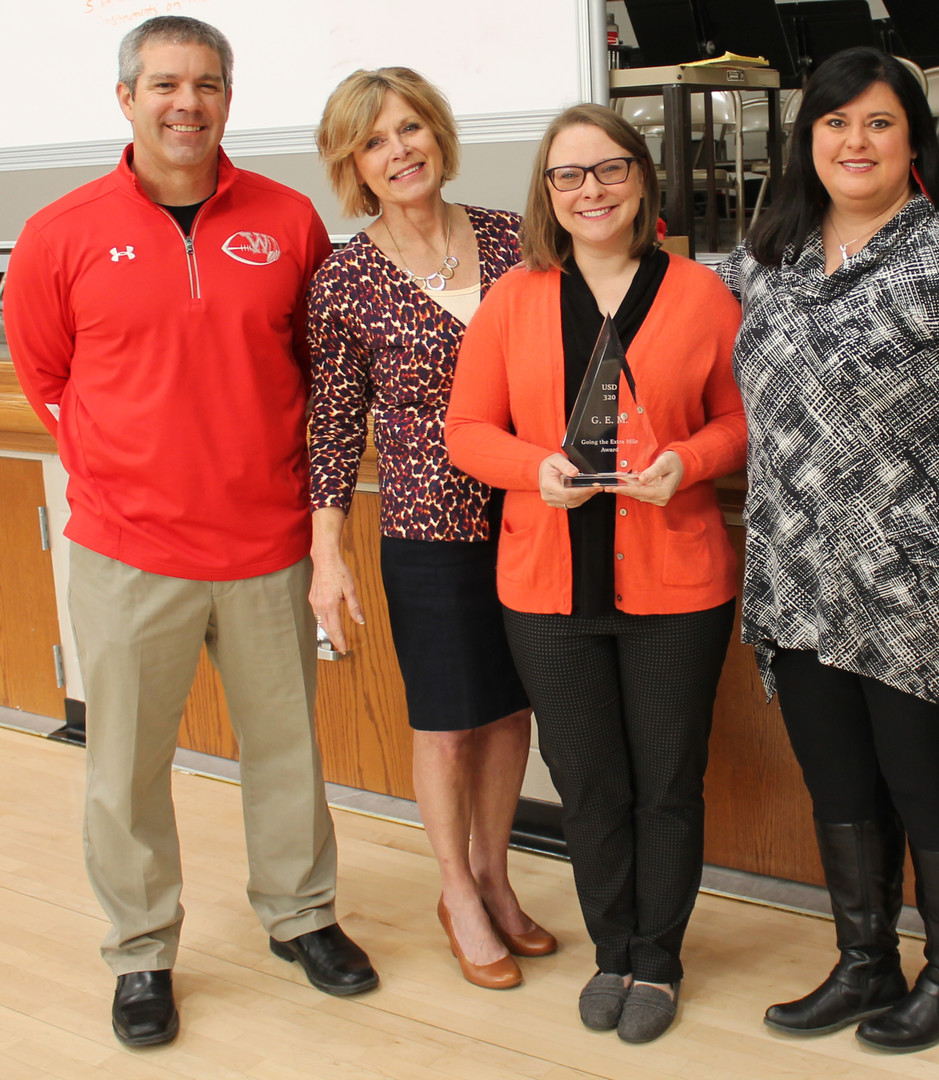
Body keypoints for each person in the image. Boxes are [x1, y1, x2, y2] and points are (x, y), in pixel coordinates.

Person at [5, 16, 378, 1049]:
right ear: (126, 98)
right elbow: (44, 372)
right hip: (129, 554)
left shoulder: (288, 219)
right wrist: (121, 463)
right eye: (166, 82)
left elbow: (318, 370)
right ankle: (140, 951)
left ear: (227, 98)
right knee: (123, 765)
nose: (188, 102)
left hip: (265, 544)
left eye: (208, 83)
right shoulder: (62, 230)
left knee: (288, 752)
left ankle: (300, 916)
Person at [717, 47, 939, 1053]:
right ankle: (866, 964)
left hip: (924, 586)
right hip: (801, 577)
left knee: (926, 785)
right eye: (834, 123)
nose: (854, 143)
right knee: (838, 785)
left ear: (914, 143)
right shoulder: (768, 257)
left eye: (877, 123)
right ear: (805, 140)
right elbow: (660, 295)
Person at [445, 103, 746, 1042]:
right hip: (546, 589)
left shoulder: (702, 295)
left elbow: (739, 425)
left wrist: (687, 465)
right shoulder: (513, 300)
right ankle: (611, 949)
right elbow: (466, 432)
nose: (591, 191)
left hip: (677, 587)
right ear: (546, 192)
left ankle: (657, 962)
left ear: (642, 180)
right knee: (586, 783)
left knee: (665, 781)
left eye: (609, 170)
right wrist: (534, 468)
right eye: (568, 176)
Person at [307, 67, 554, 992]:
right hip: (425, 526)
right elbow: (331, 427)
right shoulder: (345, 277)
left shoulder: (512, 237)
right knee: (449, 722)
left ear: (437, 135)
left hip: (533, 513)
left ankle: (493, 872)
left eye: (410, 129)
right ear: (353, 165)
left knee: (511, 708)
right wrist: (327, 555)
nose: (398, 151)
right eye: (374, 141)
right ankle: (454, 891)